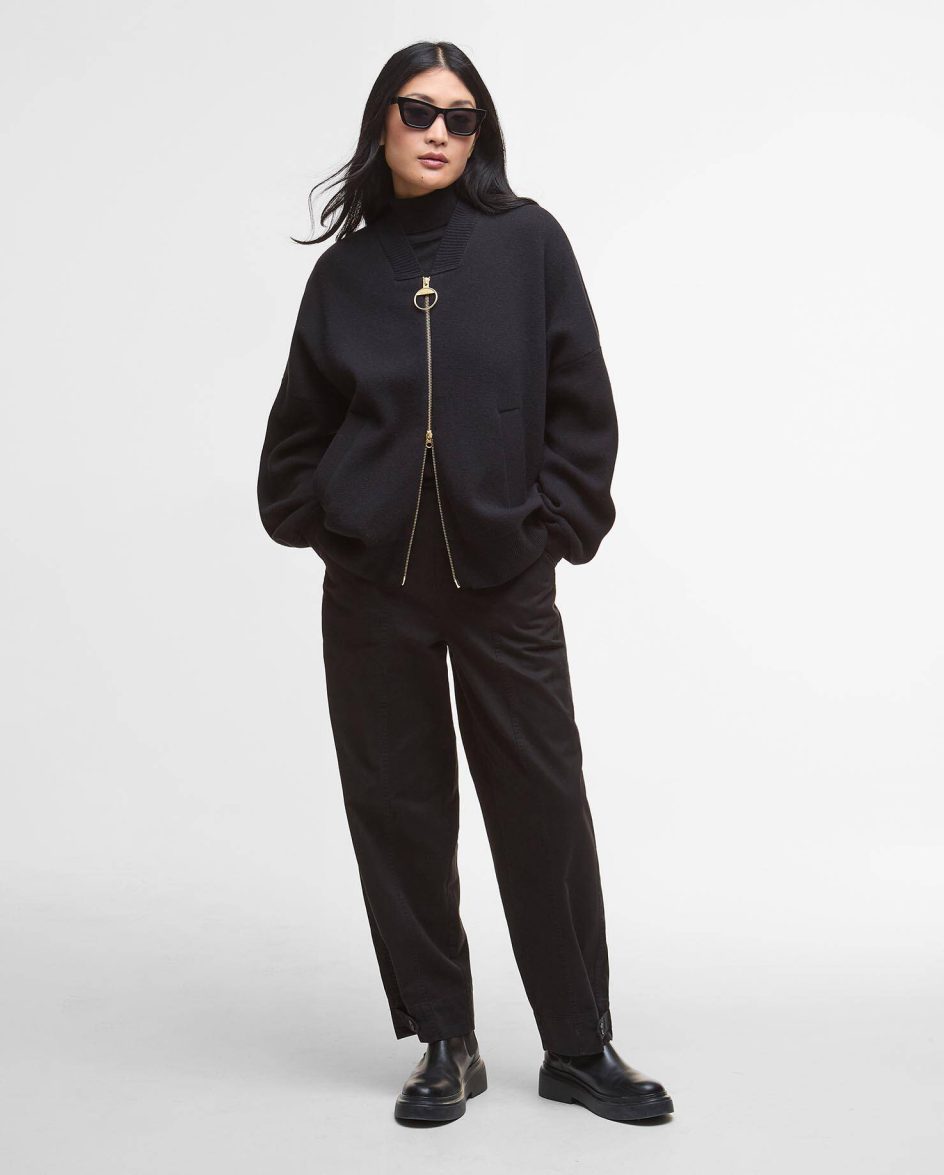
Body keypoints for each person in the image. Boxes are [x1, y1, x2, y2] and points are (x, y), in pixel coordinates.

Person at [257, 41, 674, 1126]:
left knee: (543, 804)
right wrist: (333, 522)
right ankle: (446, 1039)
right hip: (375, 588)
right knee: (399, 810)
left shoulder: (528, 242)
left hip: (503, 578)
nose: (438, 131)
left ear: (480, 133)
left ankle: (579, 1045)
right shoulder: (345, 276)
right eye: (417, 110)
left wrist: (555, 527)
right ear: (381, 124)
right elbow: (296, 436)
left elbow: (582, 399)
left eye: (460, 116)